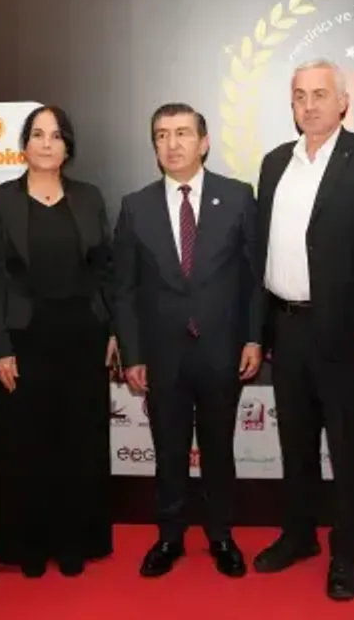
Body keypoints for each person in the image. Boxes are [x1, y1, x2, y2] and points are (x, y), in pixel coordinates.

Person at [253, 58, 354, 601]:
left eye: (320, 94)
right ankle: (299, 535)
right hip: (286, 327)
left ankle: (345, 552)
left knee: (347, 450)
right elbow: (261, 252)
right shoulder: (275, 163)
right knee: (295, 445)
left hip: (347, 334)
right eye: (300, 95)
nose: (309, 104)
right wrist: (259, 331)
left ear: (343, 101)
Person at [112, 103, 263, 579]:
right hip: (163, 355)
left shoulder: (238, 197)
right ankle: (169, 536)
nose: (172, 143)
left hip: (222, 350)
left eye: (182, 133)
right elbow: (124, 289)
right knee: (169, 451)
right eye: (161, 135)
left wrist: (254, 338)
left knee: (219, 449)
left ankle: (221, 535)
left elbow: (254, 277)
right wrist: (133, 354)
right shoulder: (135, 206)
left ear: (204, 142)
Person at [0, 105, 119, 578]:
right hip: (22, 341)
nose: (46, 143)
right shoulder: (1, 200)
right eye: (37, 134)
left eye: (56, 135)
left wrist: (113, 329)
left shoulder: (89, 197)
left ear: (67, 146)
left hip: (82, 339)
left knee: (79, 444)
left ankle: (75, 542)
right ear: (24, 145)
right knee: (26, 446)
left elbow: (105, 271)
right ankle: (29, 546)